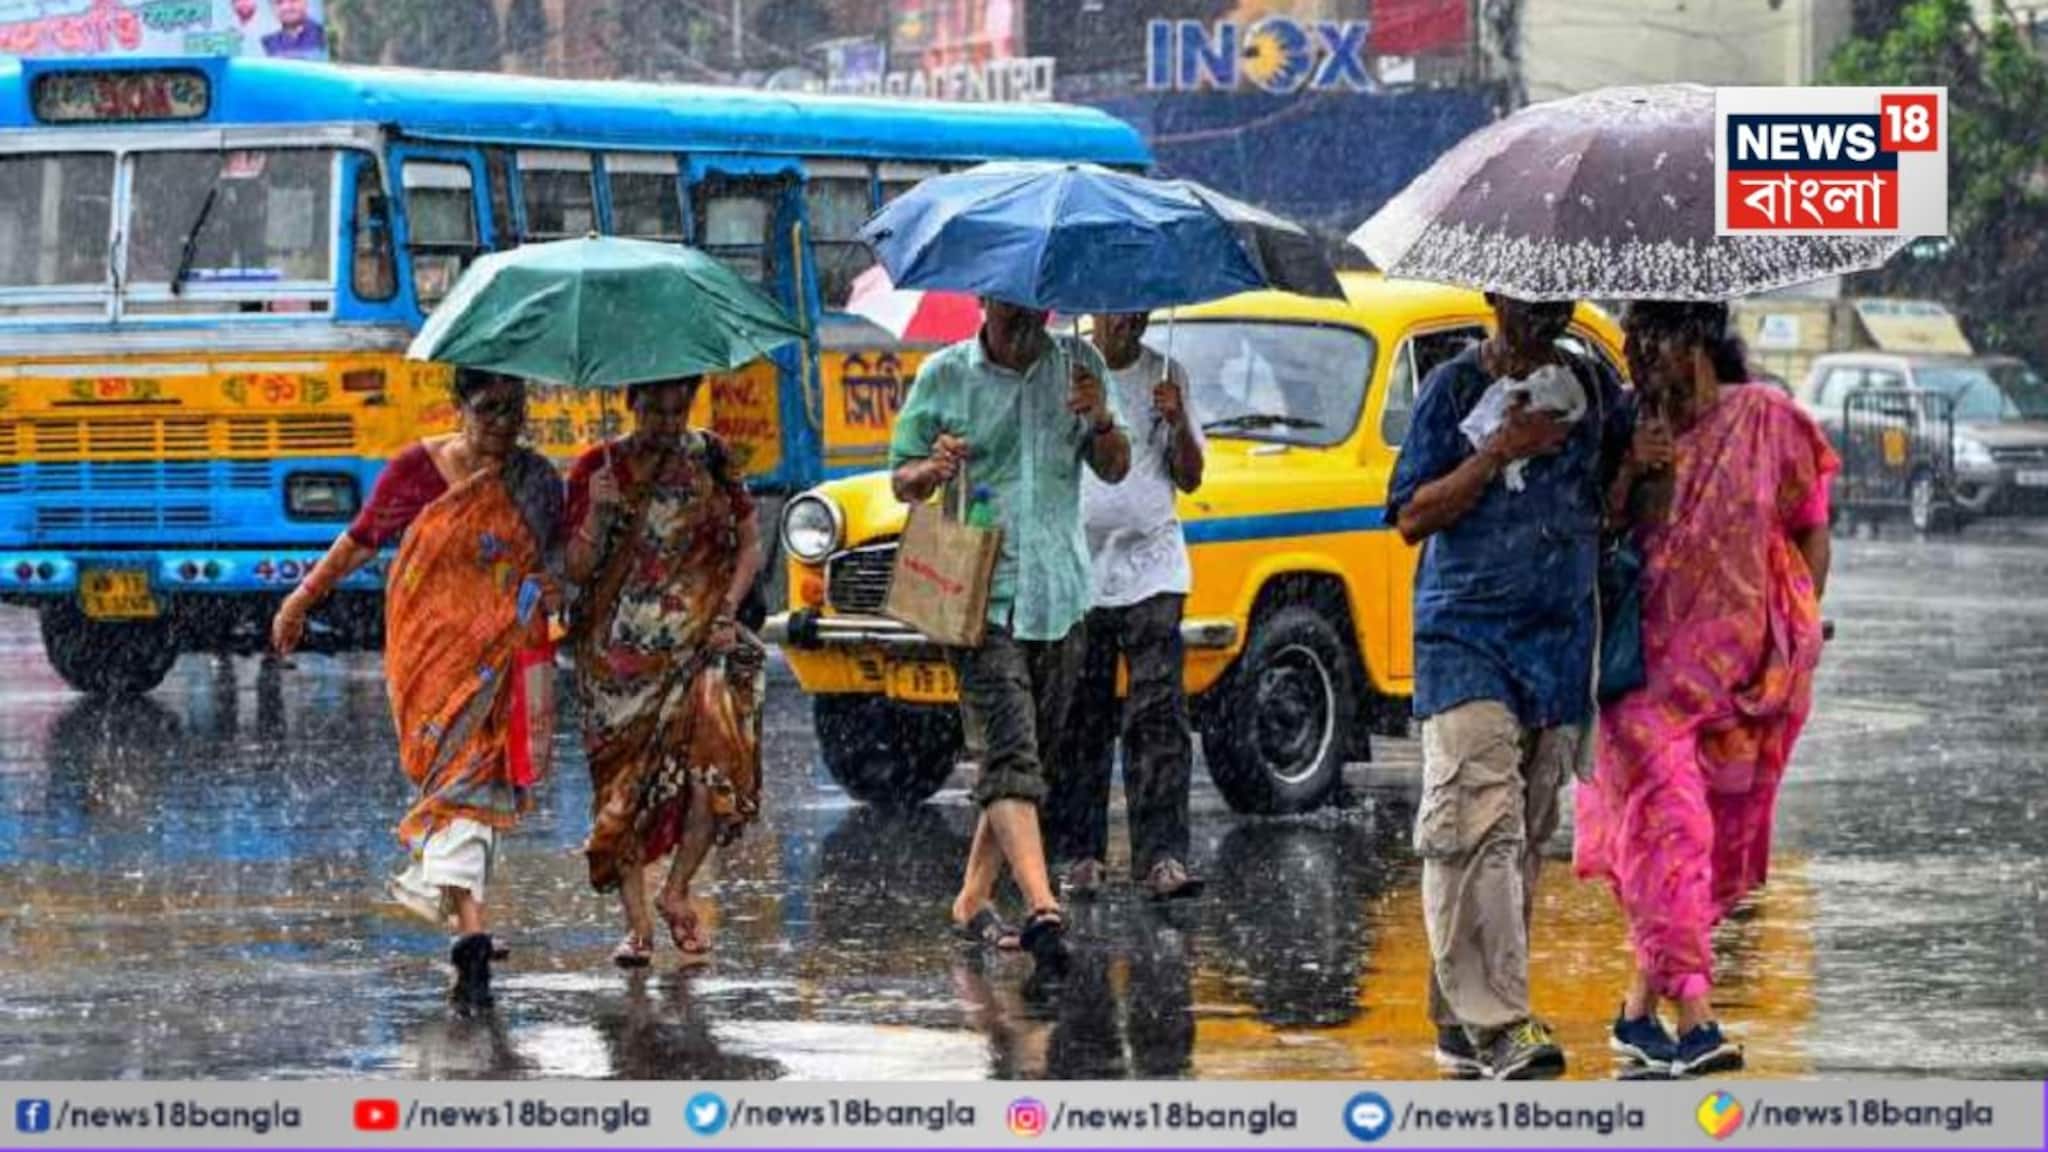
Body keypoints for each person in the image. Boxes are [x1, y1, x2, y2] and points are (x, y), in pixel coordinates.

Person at [1574, 301, 1836, 1077]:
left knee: (1697, 857)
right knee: (1674, 832)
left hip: (1739, 682)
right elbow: (1595, 534)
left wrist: (1802, 625)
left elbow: (1808, 523)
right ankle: (1695, 1020)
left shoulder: (1768, 421)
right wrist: (1633, 471)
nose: (1639, 354)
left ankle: (1634, 1017)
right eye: (1632, 340)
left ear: (1695, 338)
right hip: (1641, 680)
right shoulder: (1623, 428)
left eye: (1653, 338)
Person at [1386, 295, 1644, 1080]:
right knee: (1476, 821)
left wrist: (1637, 465)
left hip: (1556, 644)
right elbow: (1410, 515)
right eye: (1528, 303)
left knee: (1520, 838)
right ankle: (1502, 1020)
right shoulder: (1455, 389)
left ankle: (1459, 1019)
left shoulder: (1590, 392)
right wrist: (1498, 450)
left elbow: (1601, 518)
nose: (1544, 315)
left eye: (1556, 303)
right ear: (1496, 299)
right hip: (1466, 636)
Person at [272, 368, 562, 1009]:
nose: (503, 425)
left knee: (476, 782)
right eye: (488, 409)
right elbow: (360, 541)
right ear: (458, 407)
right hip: (428, 655)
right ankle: (471, 924)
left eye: (515, 410)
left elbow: (555, 564)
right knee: (456, 783)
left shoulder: (537, 482)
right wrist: (301, 598)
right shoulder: (416, 470)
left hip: (502, 656)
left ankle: (471, 932)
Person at [890, 298, 1130, 978]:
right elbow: (900, 477)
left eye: (1034, 301)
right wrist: (930, 470)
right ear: (983, 301)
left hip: (1059, 591)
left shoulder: (1080, 366)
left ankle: (970, 899)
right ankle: (1043, 907)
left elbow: (1115, 466)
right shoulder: (944, 375)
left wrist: (1102, 418)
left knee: (1026, 763)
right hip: (979, 595)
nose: (1023, 314)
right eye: (1008, 300)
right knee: (1009, 751)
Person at [564, 376, 766, 969]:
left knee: (715, 773)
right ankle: (637, 926)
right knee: (622, 793)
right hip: (617, 661)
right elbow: (576, 569)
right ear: (629, 402)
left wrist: (727, 609)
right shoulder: (596, 469)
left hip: (702, 647)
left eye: (679, 408)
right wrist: (598, 516)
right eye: (653, 408)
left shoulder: (712, 456)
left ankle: (678, 889)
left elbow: (751, 543)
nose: (667, 421)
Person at [1046, 311, 1205, 901]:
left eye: (1139, 309)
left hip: (1155, 567)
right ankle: (1080, 853)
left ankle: (1162, 856)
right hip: (1079, 570)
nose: (1130, 322)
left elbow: (1190, 478)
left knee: (1157, 714)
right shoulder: (1063, 370)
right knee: (1079, 716)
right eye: (1119, 310)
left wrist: (1178, 421)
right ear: (1095, 312)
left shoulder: (1168, 374)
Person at [261, 0, 326, 58]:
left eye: (293, 1)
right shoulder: (267, 43)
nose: (286, 7)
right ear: (272, 8)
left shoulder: (323, 35)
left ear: (306, 2)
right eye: (279, 2)